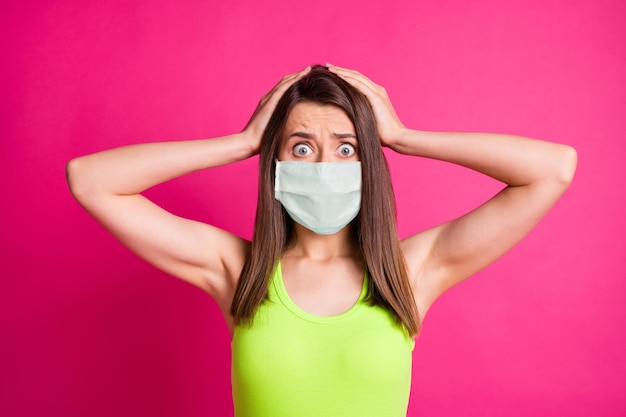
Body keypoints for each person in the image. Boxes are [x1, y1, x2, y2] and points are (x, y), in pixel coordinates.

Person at [66, 64, 577, 416]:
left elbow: (552, 169)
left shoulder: (410, 272)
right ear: (277, 163)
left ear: (369, 163)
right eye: (303, 146)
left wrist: (402, 137)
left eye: (348, 147)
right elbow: (90, 179)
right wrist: (243, 142)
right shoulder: (237, 270)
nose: (324, 166)